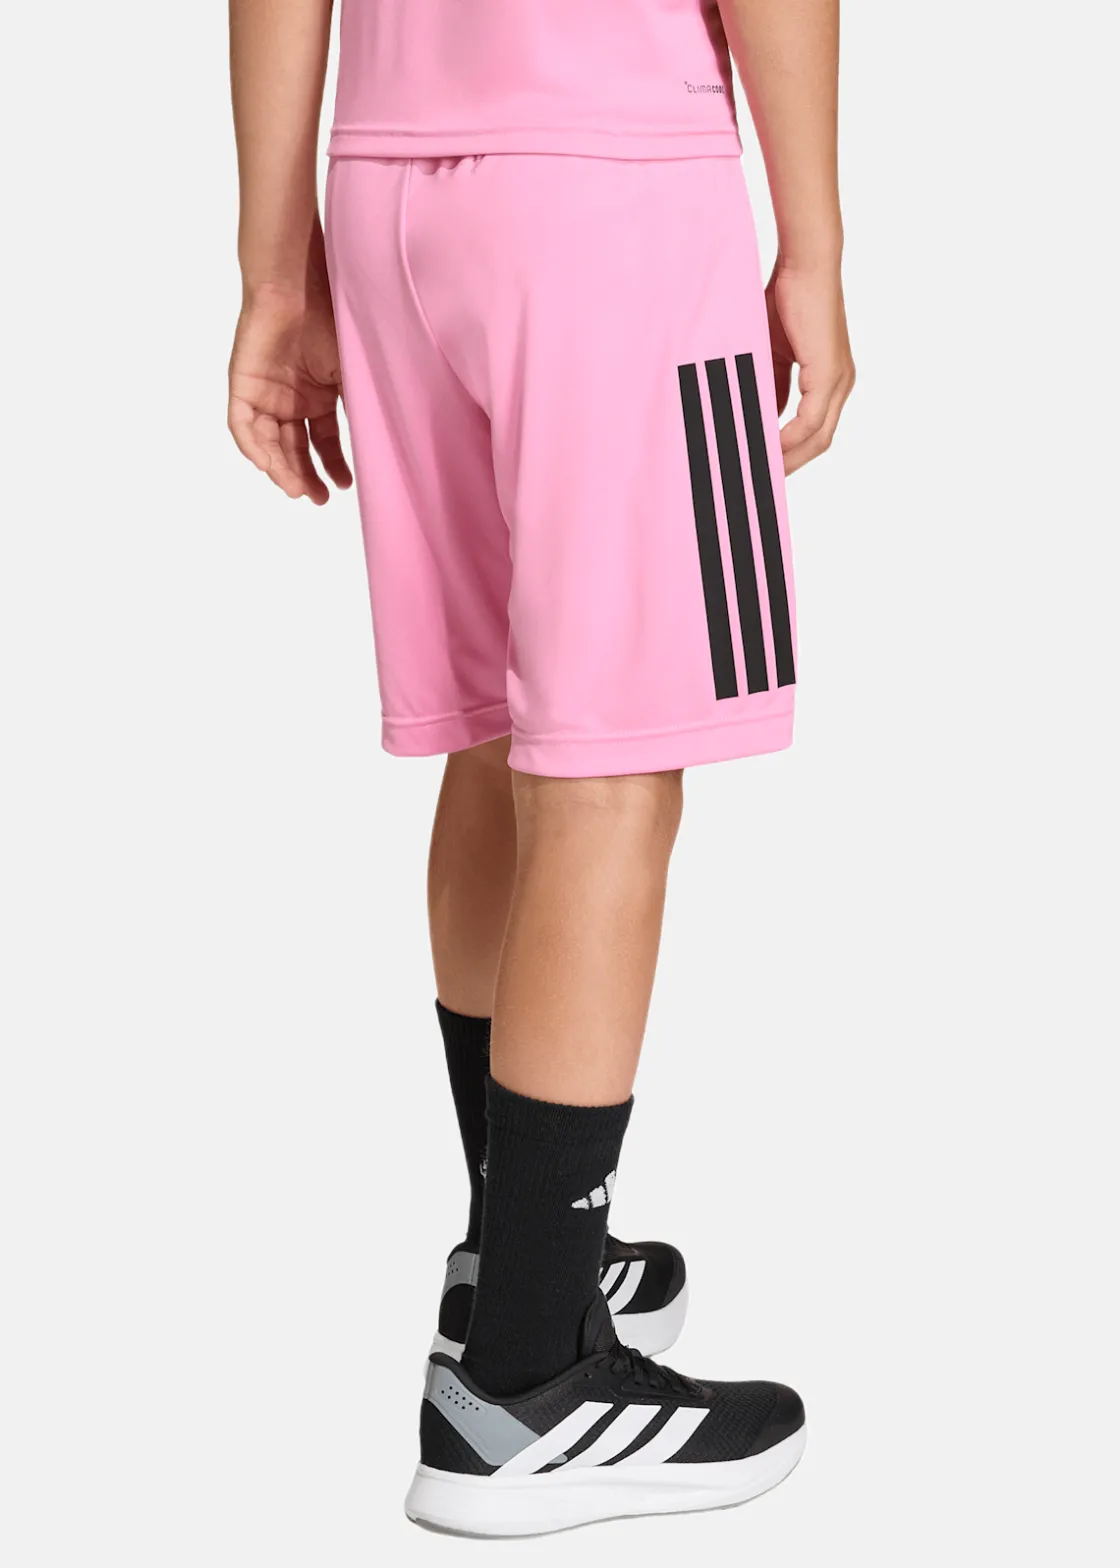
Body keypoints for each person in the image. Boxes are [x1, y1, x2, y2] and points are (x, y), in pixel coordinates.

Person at [228, 0, 854, 1537]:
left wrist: (277, 269)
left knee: (511, 727)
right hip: (612, 187)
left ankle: (517, 1261)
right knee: (618, 768)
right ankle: (525, 1384)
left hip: (390, 192)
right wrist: (816, 245)